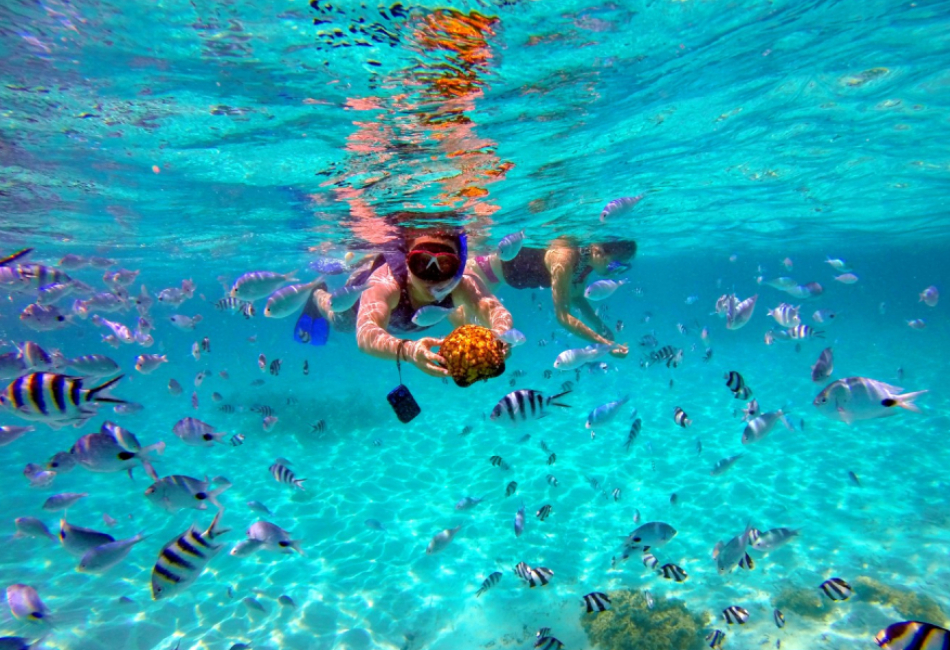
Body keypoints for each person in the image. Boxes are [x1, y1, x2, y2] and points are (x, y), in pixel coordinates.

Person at [307, 224, 513, 378]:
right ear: (407, 261)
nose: (432, 275)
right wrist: (409, 351)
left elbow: (495, 310)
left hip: (414, 319)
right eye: (421, 262)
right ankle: (317, 294)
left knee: (463, 314)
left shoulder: (463, 282)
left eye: (445, 263)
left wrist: (501, 336)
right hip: (356, 297)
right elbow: (365, 333)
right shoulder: (386, 283)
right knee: (339, 321)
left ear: (458, 266)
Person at [468, 238, 636, 356]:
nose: (614, 273)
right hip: (483, 270)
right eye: (615, 266)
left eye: (623, 268)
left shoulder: (587, 263)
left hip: (498, 279)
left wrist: (604, 330)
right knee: (473, 346)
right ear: (598, 252)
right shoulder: (564, 259)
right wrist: (605, 344)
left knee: (492, 350)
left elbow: (576, 297)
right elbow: (563, 316)